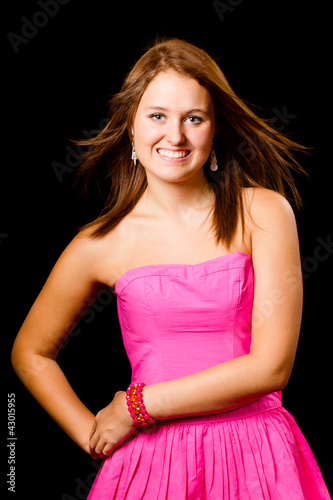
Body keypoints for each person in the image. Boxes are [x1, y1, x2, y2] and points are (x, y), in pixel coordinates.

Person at [11, 38, 330, 499]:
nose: (175, 136)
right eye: (157, 116)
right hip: (150, 466)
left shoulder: (264, 212)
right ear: (130, 127)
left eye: (193, 118)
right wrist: (91, 434)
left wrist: (136, 407)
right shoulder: (100, 243)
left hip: (258, 455)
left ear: (214, 127)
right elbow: (30, 352)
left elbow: (271, 368)